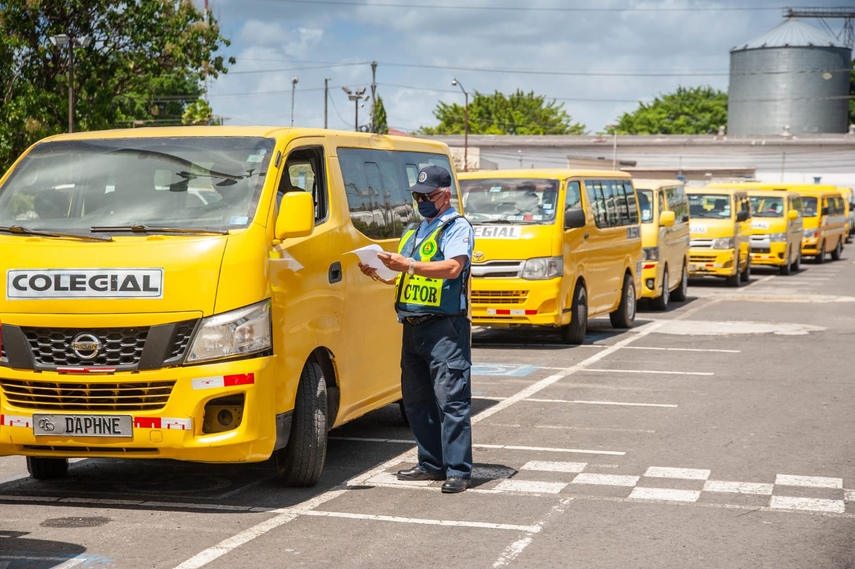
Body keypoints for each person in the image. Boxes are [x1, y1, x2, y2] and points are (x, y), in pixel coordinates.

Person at [359, 165, 475, 493]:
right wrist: (378, 271)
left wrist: (407, 264)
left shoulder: (456, 226)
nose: (421, 200)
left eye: (428, 196)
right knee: (416, 399)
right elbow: (400, 276)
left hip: (444, 327)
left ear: (445, 195)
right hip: (412, 325)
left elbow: (453, 268)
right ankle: (431, 463)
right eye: (417, 196)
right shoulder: (414, 230)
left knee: (451, 399)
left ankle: (457, 470)